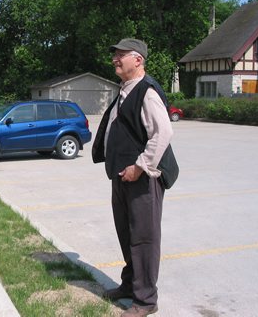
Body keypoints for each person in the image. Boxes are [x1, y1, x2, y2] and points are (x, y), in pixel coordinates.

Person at [92, 38, 173, 317]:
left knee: (144, 238)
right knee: (127, 233)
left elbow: (163, 133)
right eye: (114, 54)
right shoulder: (125, 90)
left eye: (121, 55)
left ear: (138, 60)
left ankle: (146, 300)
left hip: (142, 178)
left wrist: (139, 166)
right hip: (122, 177)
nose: (115, 59)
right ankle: (130, 285)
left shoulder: (146, 91)